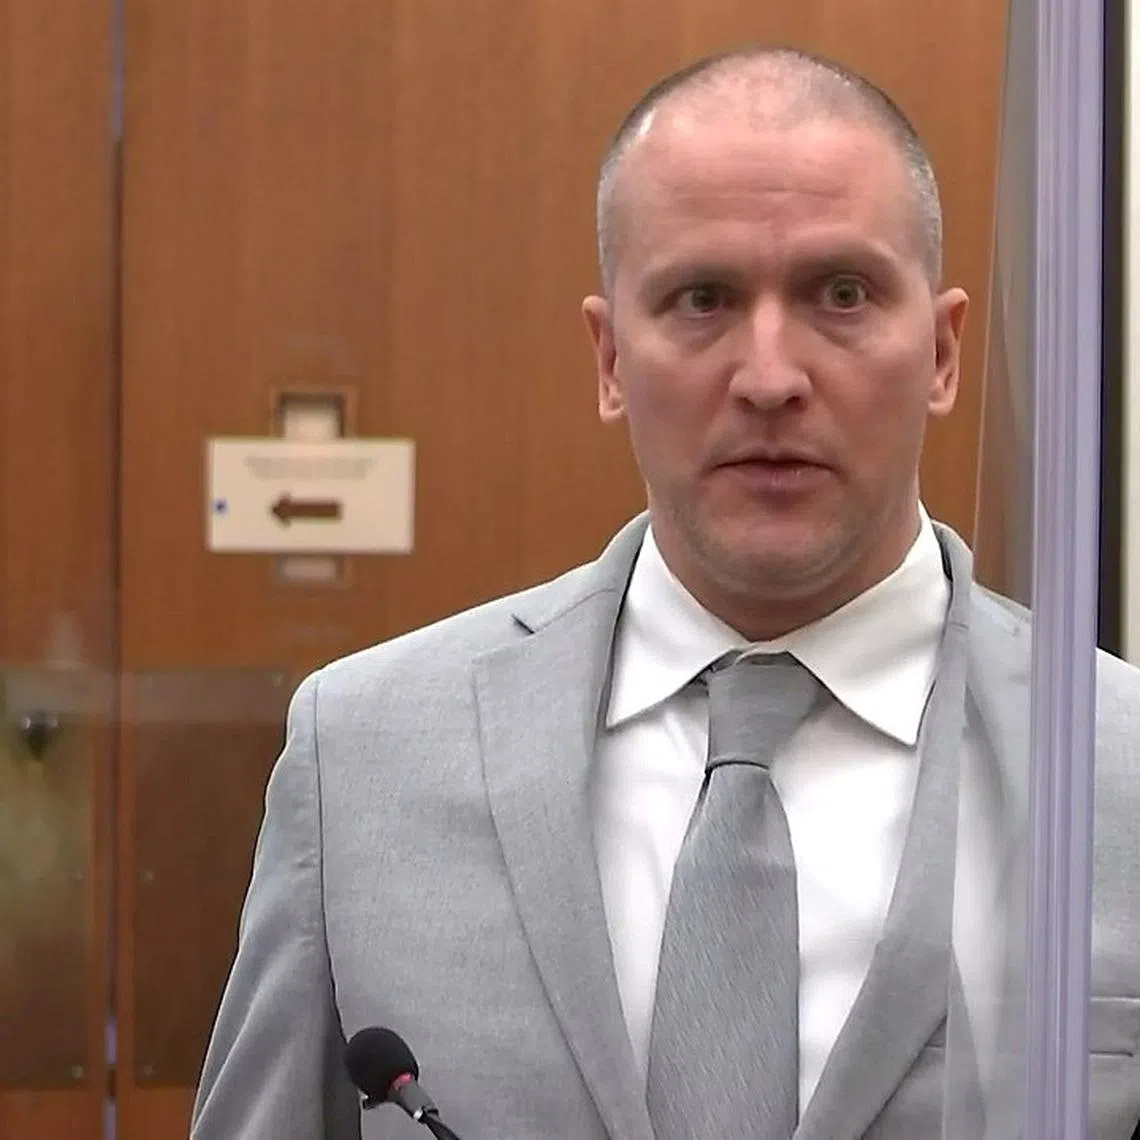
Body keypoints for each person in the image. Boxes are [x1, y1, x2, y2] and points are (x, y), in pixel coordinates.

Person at [190, 46, 1140, 1139]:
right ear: (608, 359)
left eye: (842, 293)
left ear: (940, 349)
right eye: (702, 299)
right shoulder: (363, 759)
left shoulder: (1116, 773)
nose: (771, 376)